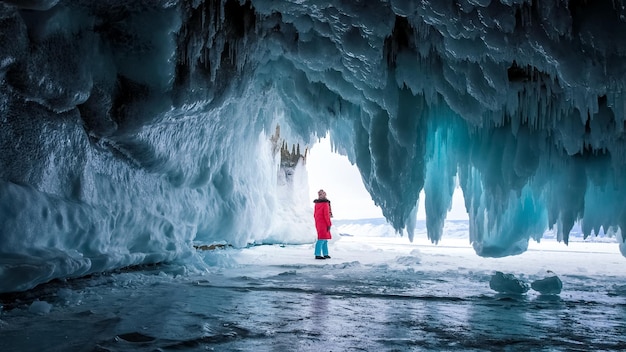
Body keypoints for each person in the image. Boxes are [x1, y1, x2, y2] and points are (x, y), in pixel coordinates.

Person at [313, 189, 333, 259]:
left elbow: (315, 214)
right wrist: (329, 224)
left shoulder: (317, 204)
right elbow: (326, 215)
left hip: (319, 222)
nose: (321, 195)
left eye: (321, 194)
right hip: (323, 223)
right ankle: (317, 254)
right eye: (320, 194)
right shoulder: (325, 204)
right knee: (321, 239)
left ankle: (325, 253)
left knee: (324, 239)